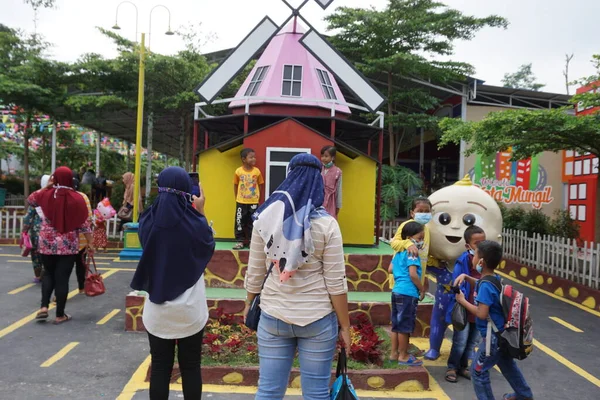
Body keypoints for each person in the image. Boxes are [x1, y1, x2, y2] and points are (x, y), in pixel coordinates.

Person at [244, 153, 351, 400]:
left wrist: (249, 303)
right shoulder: (327, 225)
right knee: (315, 394)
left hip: (273, 315)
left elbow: (256, 271)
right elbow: (336, 282)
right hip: (317, 320)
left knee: (268, 391)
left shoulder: (265, 218)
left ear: (289, 176)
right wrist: (345, 326)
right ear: (318, 181)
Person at [131, 167, 215, 400]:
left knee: (159, 367)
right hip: (190, 308)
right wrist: (200, 211)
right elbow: (208, 245)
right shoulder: (195, 223)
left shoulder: (147, 220)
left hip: (157, 307)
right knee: (190, 366)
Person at [455, 241, 534, 400]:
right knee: (507, 366)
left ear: (481, 262)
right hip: (501, 335)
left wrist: (462, 301)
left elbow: (481, 314)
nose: (473, 257)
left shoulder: (485, 286)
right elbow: (480, 283)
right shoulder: (493, 279)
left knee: (478, 372)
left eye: (475, 254)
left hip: (492, 340)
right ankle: (524, 395)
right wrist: (466, 277)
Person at [30, 167, 93, 324]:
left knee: (49, 274)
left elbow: (31, 199)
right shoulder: (77, 198)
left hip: (46, 244)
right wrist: (90, 243)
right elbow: (84, 223)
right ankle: (60, 315)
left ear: (54, 178)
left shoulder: (45, 195)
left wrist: (47, 186)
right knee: (62, 278)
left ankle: (44, 307)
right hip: (68, 246)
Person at [445, 225, 485, 383]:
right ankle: (452, 367)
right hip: (463, 307)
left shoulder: (486, 261)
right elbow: (457, 283)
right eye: (477, 243)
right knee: (460, 342)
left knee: (472, 342)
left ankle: (463, 366)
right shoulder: (463, 260)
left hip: (479, 309)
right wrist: (459, 296)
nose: (481, 246)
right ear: (468, 246)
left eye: (483, 241)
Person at [388, 221, 426, 366]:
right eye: (419, 237)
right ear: (409, 237)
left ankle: (394, 353)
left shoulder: (399, 252)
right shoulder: (412, 252)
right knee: (404, 327)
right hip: (408, 292)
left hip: (397, 290)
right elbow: (413, 274)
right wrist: (421, 289)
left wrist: (400, 269)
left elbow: (390, 269)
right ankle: (403, 356)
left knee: (396, 325)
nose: (421, 241)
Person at [233, 148, 264, 250]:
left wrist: (257, 197)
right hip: (241, 201)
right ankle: (240, 241)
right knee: (239, 221)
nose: (254, 159)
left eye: (254, 157)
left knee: (253, 222)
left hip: (253, 201)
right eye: (251, 157)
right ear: (243, 159)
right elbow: (236, 185)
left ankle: (252, 242)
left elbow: (260, 184)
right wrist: (237, 198)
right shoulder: (238, 171)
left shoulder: (257, 171)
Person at [22, 174, 51, 282]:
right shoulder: (54, 197)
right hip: (50, 231)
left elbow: (29, 216)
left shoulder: (36, 197)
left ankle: (38, 275)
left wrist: (25, 230)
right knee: (48, 253)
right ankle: (47, 272)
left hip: (36, 231)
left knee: (36, 254)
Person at [73, 178, 94, 294]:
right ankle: (81, 286)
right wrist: (89, 240)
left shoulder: (61, 196)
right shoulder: (83, 197)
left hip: (64, 241)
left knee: (64, 268)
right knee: (81, 264)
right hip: (81, 238)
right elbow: (88, 217)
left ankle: (58, 294)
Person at [320, 145, 342, 219]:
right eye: (322, 156)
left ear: (332, 157)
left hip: (331, 202)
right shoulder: (319, 169)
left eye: (326, 156)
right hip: (319, 199)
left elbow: (339, 189)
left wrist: (338, 206)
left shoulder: (338, 172)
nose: (323, 158)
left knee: (329, 221)